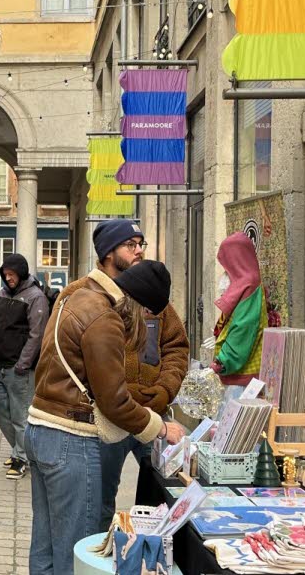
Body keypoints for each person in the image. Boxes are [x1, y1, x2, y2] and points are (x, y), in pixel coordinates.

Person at [25, 258, 185, 575]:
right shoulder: (106, 317)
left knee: (45, 547)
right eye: (149, 315)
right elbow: (114, 401)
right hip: (70, 438)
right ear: (141, 303)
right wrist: (161, 427)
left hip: (41, 427)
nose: (147, 323)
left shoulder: (79, 297)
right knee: (76, 551)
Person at [88, 220, 191, 528]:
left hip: (154, 414)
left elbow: (177, 346)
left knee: (165, 493)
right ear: (108, 253)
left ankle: (153, 552)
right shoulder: (92, 296)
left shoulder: (153, 294)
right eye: (130, 245)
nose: (138, 251)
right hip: (110, 418)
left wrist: (164, 390)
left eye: (140, 244)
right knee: (100, 500)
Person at [0, 253, 49, 480]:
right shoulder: (3, 293)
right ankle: (18, 450)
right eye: (5, 274)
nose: (8, 278)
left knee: (21, 416)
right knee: (0, 411)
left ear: (21, 273)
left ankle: (22, 458)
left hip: (20, 369)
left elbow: (37, 335)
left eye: (12, 274)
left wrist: (23, 365)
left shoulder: (36, 297)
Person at [211, 232, 269, 397]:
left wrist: (221, 362)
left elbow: (243, 329)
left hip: (242, 378)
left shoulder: (249, 284)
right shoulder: (247, 282)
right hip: (239, 375)